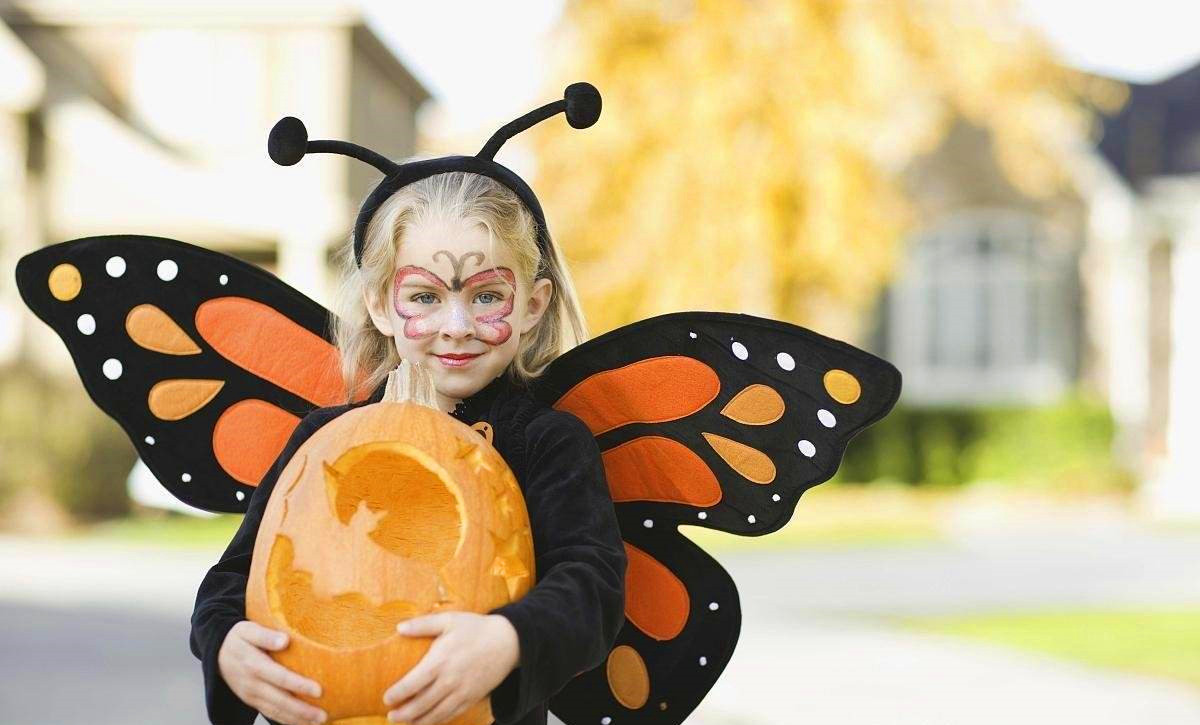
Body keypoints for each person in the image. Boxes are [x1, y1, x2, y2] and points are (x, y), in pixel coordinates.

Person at [189, 169, 628, 725]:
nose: (456, 325)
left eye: (487, 295)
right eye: (424, 296)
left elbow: (593, 587)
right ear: (378, 304)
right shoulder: (323, 440)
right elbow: (236, 576)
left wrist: (509, 638)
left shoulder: (548, 444)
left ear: (533, 305)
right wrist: (226, 643)